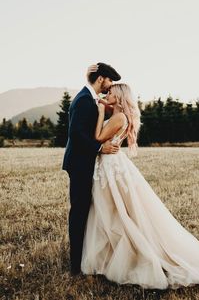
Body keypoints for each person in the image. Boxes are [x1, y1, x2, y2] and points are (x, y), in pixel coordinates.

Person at [80, 82, 199, 289]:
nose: (107, 94)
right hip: (110, 164)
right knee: (111, 211)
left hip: (110, 167)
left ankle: (124, 256)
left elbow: (98, 137)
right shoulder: (120, 116)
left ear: (120, 96)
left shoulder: (119, 117)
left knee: (113, 211)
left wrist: (99, 111)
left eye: (111, 92)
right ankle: (110, 254)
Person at [62, 62, 121, 275]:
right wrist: (100, 147)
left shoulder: (89, 99)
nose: (110, 85)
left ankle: (86, 257)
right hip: (79, 164)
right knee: (79, 212)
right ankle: (76, 266)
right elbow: (76, 134)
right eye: (109, 80)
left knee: (85, 210)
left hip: (83, 162)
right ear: (100, 79)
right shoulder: (84, 100)